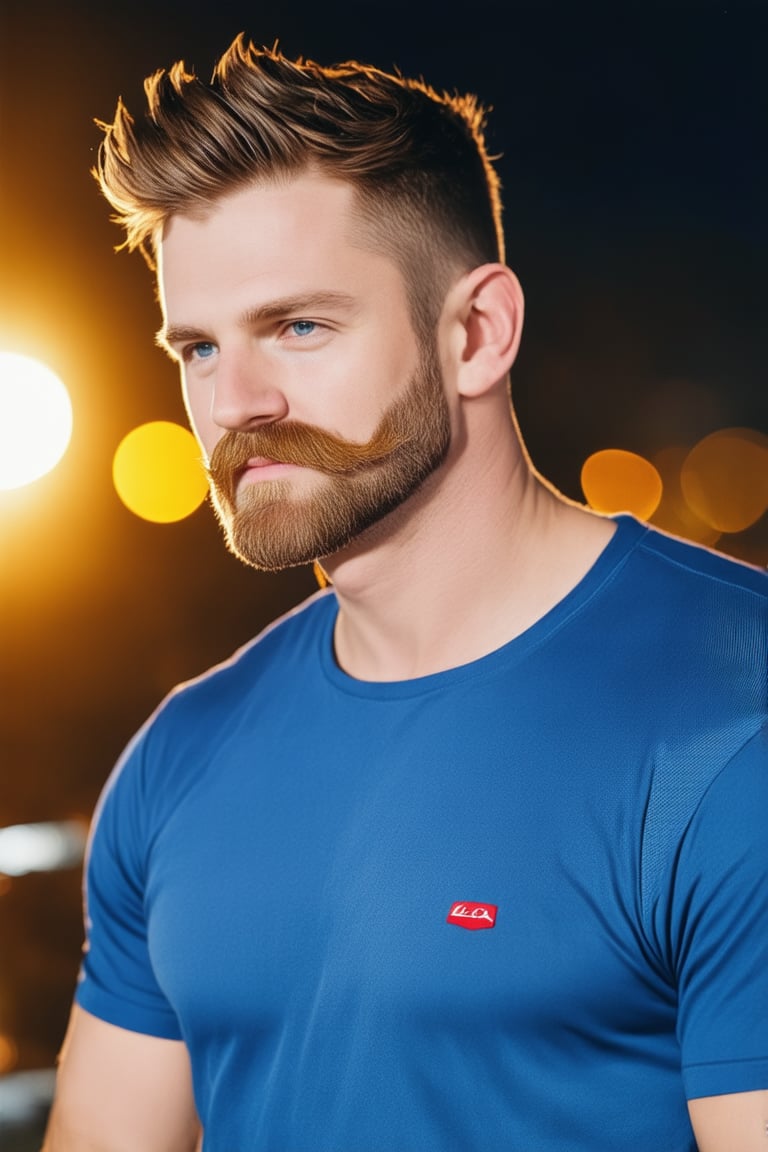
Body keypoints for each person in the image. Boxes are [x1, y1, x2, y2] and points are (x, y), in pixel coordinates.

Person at [44, 35, 767, 1152]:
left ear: (477, 332)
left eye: (299, 326)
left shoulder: (733, 726)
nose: (234, 400)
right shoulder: (178, 759)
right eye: (196, 347)